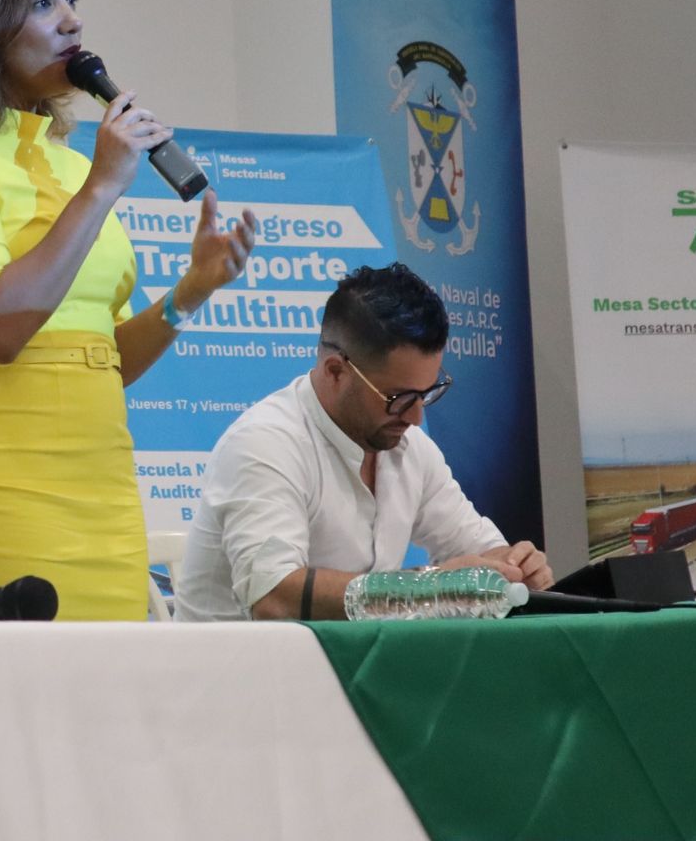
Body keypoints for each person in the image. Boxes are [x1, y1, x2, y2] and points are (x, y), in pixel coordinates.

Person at [0, 0, 258, 621]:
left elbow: (101, 355)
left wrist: (190, 291)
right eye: (44, 1)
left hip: (103, 490)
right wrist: (104, 188)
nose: (73, 19)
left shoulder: (69, 160)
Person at [175, 263, 554, 622]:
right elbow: (274, 597)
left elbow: (476, 549)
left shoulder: (410, 449)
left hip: (341, 676)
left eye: (427, 393)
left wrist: (513, 567)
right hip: (233, 681)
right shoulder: (264, 444)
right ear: (335, 371)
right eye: (398, 399)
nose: (416, 417)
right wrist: (431, 588)